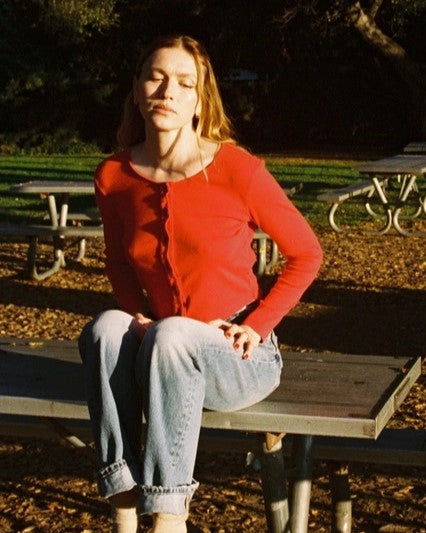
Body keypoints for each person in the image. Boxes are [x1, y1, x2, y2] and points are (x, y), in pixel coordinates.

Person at [79, 34, 322, 533]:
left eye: (183, 83)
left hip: (238, 357)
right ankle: (124, 507)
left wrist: (258, 325)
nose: (168, 90)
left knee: (173, 334)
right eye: (157, 77)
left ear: (198, 99)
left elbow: (306, 253)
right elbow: (118, 263)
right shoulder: (113, 176)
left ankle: (168, 517)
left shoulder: (237, 169)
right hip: (161, 355)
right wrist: (134, 311)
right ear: (138, 89)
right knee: (106, 327)